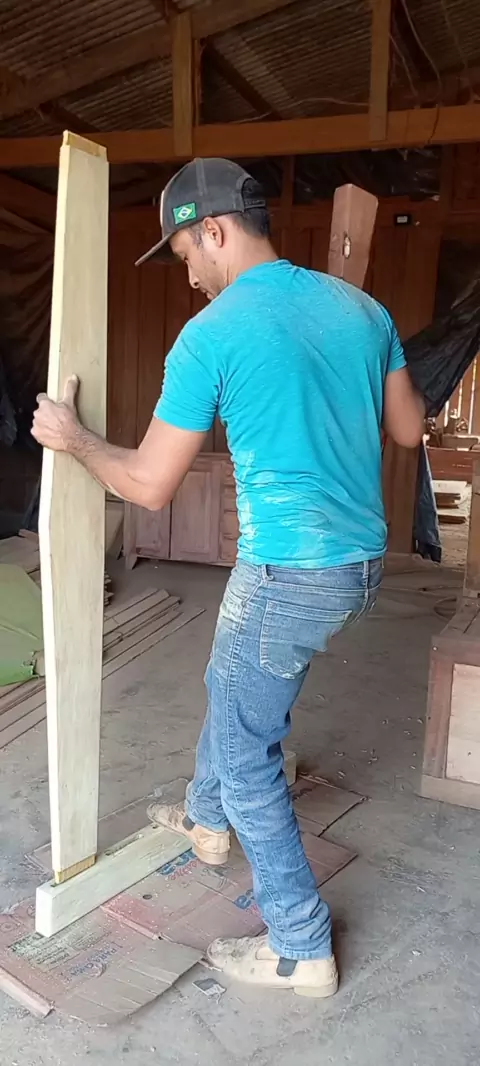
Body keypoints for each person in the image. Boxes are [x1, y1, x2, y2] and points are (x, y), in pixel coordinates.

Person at [32, 157, 426, 997]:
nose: (189, 276)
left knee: (248, 752)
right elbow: (406, 429)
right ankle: (207, 820)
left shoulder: (211, 335)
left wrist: (74, 439)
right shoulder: (363, 309)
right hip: (358, 565)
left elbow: (148, 484)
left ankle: (299, 944)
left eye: (185, 255)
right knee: (234, 682)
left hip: (289, 570)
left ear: (212, 230)